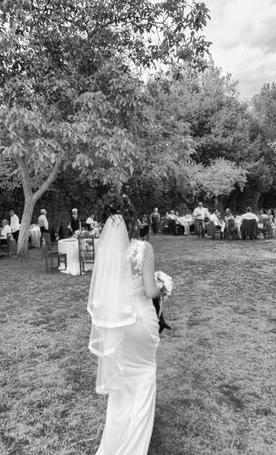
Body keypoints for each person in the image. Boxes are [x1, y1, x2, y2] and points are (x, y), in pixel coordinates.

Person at [88, 194, 162, 454]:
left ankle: (114, 445)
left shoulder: (104, 251)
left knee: (123, 383)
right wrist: (162, 283)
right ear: (131, 219)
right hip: (141, 319)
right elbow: (151, 292)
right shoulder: (143, 249)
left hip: (117, 323)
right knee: (144, 375)